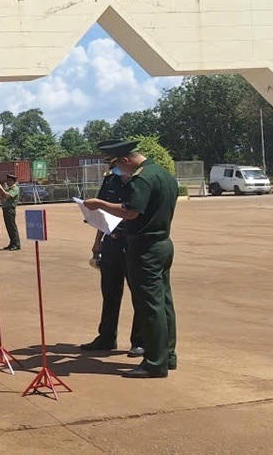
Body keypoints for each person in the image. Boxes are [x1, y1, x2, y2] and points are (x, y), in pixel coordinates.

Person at [84, 139, 178, 379]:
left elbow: (130, 212)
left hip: (145, 247)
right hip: (162, 243)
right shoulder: (163, 174)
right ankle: (167, 355)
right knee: (163, 302)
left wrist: (99, 204)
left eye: (117, 165)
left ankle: (154, 363)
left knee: (150, 306)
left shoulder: (142, 178)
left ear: (125, 160)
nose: (117, 171)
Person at [80, 164, 143, 356]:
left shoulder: (139, 183)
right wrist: (97, 242)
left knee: (138, 295)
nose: (114, 167)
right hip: (112, 242)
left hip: (134, 244)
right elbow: (101, 214)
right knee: (109, 293)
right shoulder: (110, 181)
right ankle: (106, 337)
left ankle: (139, 341)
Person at [0, 174, 21, 251]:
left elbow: (7, 196)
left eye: (10, 180)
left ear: (13, 181)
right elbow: (3, 196)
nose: (8, 182)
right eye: (8, 180)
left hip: (10, 209)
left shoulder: (15, 189)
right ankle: (12, 243)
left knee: (12, 227)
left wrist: (1, 188)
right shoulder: (9, 189)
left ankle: (16, 244)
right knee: (9, 227)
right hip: (6, 209)